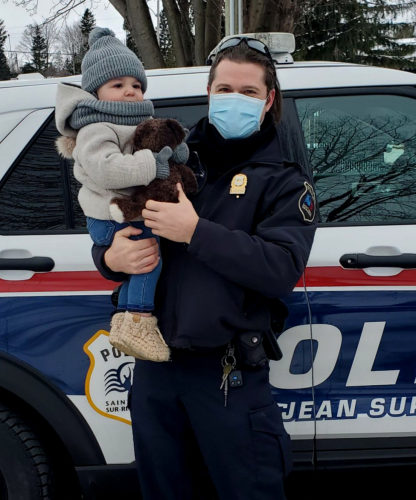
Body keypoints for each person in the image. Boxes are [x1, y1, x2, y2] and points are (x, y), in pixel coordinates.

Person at [91, 37, 317, 499]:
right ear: (208, 92)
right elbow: (114, 214)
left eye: (249, 92)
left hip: (227, 374)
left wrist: (195, 231)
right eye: (225, 88)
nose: (235, 98)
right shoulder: (162, 154)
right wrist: (110, 259)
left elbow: (280, 268)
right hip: (155, 370)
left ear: (269, 99)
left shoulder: (283, 179)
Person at [55, 27, 188, 362]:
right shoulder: (97, 128)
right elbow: (107, 169)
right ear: (95, 92)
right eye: (118, 85)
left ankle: (129, 319)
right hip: (110, 216)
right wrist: (153, 164)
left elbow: (161, 147)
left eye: (137, 85)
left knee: (146, 258)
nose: (131, 92)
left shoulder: (133, 122)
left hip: (127, 211)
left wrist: (175, 151)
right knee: (148, 260)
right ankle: (138, 320)